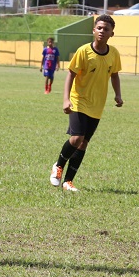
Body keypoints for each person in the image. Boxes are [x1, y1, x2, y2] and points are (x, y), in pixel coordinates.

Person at [49, 15, 123, 192]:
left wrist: (118, 95)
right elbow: (71, 75)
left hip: (97, 104)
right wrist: (66, 99)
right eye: (99, 28)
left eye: (106, 29)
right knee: (76, 138)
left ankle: (68, 182)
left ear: (112, 33)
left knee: (83, 143)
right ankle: (58, 166)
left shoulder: (113, 53)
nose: (102, 31)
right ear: (93, 30)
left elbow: (114, 75)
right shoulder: (83, 51)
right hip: (78, 100)